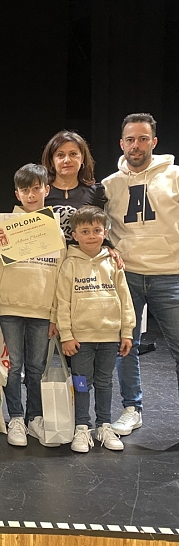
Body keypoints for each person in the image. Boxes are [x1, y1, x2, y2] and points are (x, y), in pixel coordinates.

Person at [102, 112, 179, 436]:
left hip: (169, 274)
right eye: (130, 139)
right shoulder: (109, 185)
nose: (137, 145)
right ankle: (132, 409)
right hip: (127, 275)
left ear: (154, 142)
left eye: (143, 138)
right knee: (126, 346)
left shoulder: (174, 176)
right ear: (122, 143)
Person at [0, 163, 65, 448]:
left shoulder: (55, 229)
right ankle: (15, 417)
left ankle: (35, 418)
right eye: (25, 190)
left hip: (42, 308)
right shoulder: (5, 225)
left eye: (36, 189)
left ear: (46, 189)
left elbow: (61, 272)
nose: (31, 195)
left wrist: (56, 313)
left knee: (36, 367)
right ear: (17, 194)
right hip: (9, 305)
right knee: (12, 366)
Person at [56, 206, 135, 453]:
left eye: (97, 230)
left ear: (105, 232)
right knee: (81, 382)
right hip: (80, 339)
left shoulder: (113, 263)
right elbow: (63, 302)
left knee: (104, 382)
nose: (91, 235)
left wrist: (127, 331)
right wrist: (66, 335)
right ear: (75, 235)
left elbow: (125, 298)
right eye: (85, 231)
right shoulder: (69, 264)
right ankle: (82, 427)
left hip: (109, 336)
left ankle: (103, 424)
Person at [41, 130, 106, 242]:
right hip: (48, 257)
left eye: (73, 154)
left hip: (82, 257)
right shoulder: (39, 192)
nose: (67, 160)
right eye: (60, 155)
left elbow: (100, 229)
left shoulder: (96, 192)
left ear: (82, 159)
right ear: (52, 161)